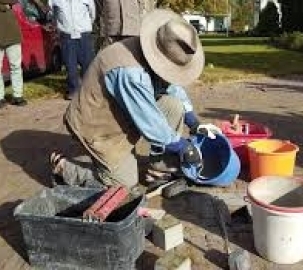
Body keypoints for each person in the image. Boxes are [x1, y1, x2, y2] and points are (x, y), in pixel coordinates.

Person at [50, 9, 222, 189]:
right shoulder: (130, 73)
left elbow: (172, 87)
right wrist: (182, 146)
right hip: (97, 125)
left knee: (174, 106)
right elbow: (150, 122)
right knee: (123, 184)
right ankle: (63, 168)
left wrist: (194, 122)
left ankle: (159, 170)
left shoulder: (154, 49)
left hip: (123, 112)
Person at [47, 0, 96, 100]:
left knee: (88, 64)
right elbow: (51, 15)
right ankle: (73, 90)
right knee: (70, 65)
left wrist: (84, 26)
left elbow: (92, 13)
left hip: (84, 34)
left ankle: (88, 89)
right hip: (66, 36)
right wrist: (60, 26)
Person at [0, 0, 27, 108]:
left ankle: (18, 96)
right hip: (10, 34)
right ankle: (0, 98)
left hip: (12, 35)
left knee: (15, 66)